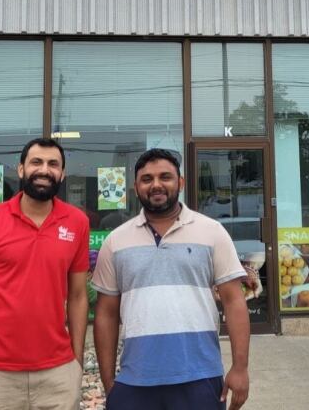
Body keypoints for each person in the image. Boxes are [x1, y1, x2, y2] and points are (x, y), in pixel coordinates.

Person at [92, 148, 250, 410]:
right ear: (135, 187)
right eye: (147, 179)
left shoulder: (212, 232)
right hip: (134, 381)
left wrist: (240, 367)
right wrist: (110, 384)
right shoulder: (115, 241)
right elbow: (106, 314)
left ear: (181, 182)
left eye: (165, 177)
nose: (156, 185)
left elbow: (234, 301)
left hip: (200, 377)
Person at [0, 138, 90, 409]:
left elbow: (77, 296)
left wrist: (76, 363)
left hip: (58, 371)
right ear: (20, 169)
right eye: (36, 162)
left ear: (62, 174)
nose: (44, 170)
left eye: (53, 164)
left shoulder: (77, 222)